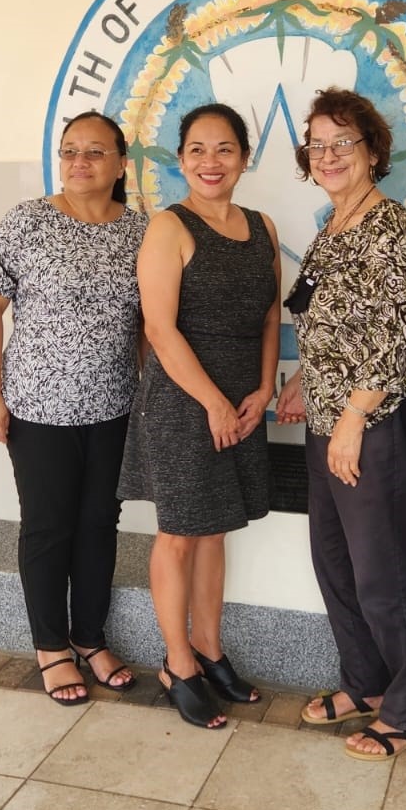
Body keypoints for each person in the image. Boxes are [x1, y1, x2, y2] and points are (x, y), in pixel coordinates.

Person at [276, 88, 406, 761]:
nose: (330, 155)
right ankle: (365, 683)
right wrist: (300, 379)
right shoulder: (332, 225)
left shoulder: (387, 225)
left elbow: (394, 340)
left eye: (344, 142)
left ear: (373, 150)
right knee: (335, 562)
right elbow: (332, 325)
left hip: (372, 423)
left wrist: (351, 421)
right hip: (326, 417)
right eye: (318, 143)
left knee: (382, 571)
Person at [0, 111, 146, 704]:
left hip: (115, 407)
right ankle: (51, 647)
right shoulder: (28, 221)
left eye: (95, 152)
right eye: (70, 150)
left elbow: (148, 325)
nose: (79, 162)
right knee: (49, 528)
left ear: (122, 163)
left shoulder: (140, 230)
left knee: (100, 525)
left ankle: (90, 638)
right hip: (37, 409)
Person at [119, 102, 280, 729]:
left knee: (216, 528)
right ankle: (178, 663)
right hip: (185, 403)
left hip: (242, 399)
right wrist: (213, 401)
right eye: (197, 150)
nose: (210, 162)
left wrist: (264, 388)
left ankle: (211, 650)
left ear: (243, 157)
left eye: (224, 149)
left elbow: (270, 315)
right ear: (181, 158)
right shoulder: (168, 226)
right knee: (181, 532)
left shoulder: (262, 225)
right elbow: (158, 328)